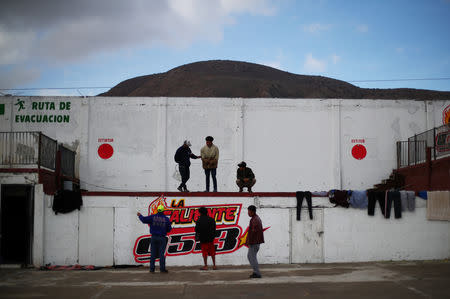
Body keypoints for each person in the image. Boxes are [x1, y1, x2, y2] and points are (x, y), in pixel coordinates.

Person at [137, 205, 172, 273]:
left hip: (154, 237)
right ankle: (162, 269)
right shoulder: (166, 219)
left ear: (157, 210)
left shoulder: (152, 217)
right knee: (161, 254)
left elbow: (144, 220)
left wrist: (140, 215)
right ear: (163, 211)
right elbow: (169, 229)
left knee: (153, 254)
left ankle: (152, 269)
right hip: (162, 238)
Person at [245, 205, 264, 278]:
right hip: (255, 242)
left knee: (251, 257)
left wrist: (249, 241)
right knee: (251, 257)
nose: (248, 213)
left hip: (254, 242)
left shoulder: (255, 220)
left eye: (249, 211)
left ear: (252, 211)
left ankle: (257, 273)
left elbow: (253, 232)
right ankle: (256, 272)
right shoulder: (255, 218)